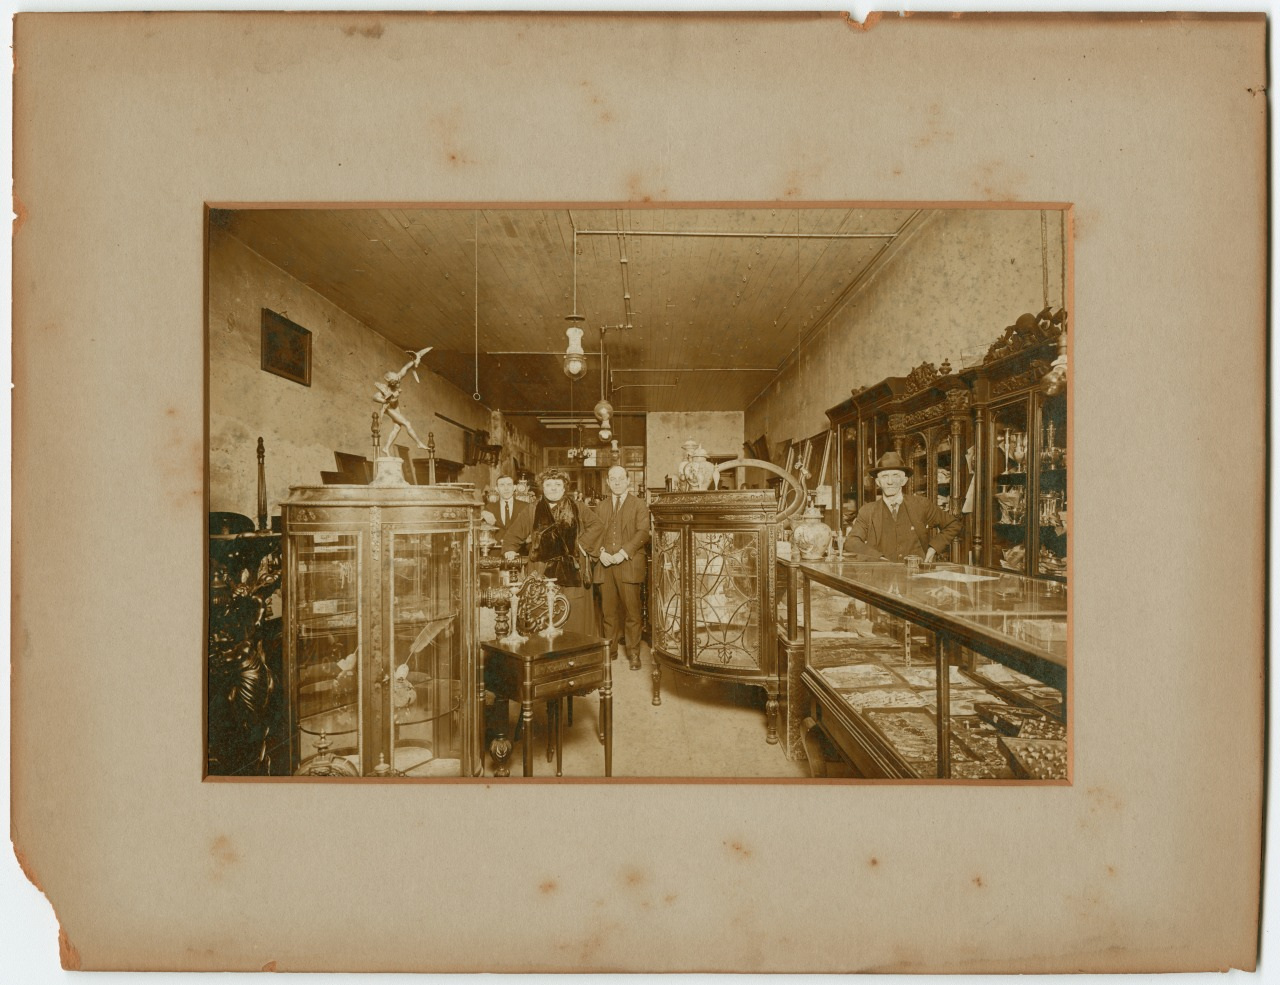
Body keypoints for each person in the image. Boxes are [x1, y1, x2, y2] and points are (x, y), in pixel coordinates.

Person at [502, 468, 603, 637]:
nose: (553, 488)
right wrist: (509, 550)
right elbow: (513, 534)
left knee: (573, 610)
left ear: (564, 488)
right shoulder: (532, 509)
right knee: (541, 609)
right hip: (542, 568)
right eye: (549, 485)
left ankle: (575, 648)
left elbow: (597, 525)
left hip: (572, 567)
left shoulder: (578, 506)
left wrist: (580, 545)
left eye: (558, 484)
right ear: (543, 488)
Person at [846, 451, 963, 563]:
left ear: (904, 481)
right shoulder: (867, 511)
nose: (890, 481)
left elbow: (953, 524)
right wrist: (877, 558)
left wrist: (933, 548)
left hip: (917, 576)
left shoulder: (921, 505)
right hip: (881, 576)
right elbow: (851, 542)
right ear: (878, 482)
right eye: (885, 476)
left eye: (895, 475)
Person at [592, 465, 650, 669]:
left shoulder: (639, 504)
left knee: (632, 613)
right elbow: (593, 533)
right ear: (607, 482)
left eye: (620, 478)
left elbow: (643, 532)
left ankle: (634, 654)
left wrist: (622, 554)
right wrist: (601, 553)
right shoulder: (601, 506)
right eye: (612, 478)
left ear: (628, 481)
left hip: (629, 564)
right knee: (608, 613)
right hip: (605, 564)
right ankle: (610, 650)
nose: (616, 482)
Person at [373, 346, 433, 455]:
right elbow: (375, 397)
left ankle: (386, 448)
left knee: (397, 427)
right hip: (390, 408)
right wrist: (386, 399)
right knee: (407, 423)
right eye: (395, 382)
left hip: (396, 406)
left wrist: (415, 360)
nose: (398, 383)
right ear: (390, 382)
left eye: (398, 381)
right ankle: (419, 443)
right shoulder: (385, 390)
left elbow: (406, 367)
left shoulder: (398, 377)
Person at [482, 473, 532, 550]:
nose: (506, 488)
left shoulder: (525, 507)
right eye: (502, 485)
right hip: (496, 553)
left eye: (509, 485)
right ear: (497, 489)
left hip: (519, 551)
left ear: (514, 487)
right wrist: (482, 513)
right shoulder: (489, 508)